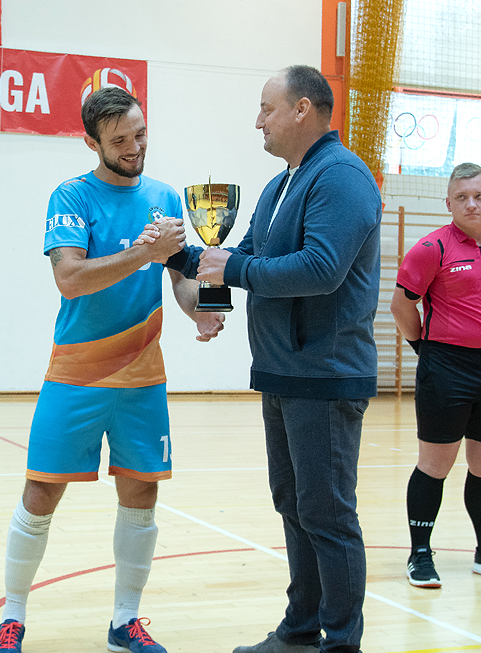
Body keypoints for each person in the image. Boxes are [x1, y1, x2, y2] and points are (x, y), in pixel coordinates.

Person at [0, 86, 225, 653]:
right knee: (40, 495)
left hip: (143, 379)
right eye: (120, 140)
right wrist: (143, 253)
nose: (134, 147)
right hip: (75, 375)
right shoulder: (71, 196)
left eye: (140, 134)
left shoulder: (165, 198)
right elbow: (70, 278)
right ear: (91, 142)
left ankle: (125, 622)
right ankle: (12, 618)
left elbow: (179, 279)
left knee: (141, 496)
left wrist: (201, 308)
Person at [161, 65, 382, 653]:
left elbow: (321, 269)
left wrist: (233, 268)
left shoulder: (341, 177)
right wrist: (177, 256)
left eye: (266, 108)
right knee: (295, 505)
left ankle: (342, 643)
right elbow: (242, 256)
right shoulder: (282, 183)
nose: (258, 121)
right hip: (284, 371)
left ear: (302, 110)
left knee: (327, 514)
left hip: (326, 374)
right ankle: (300, 631)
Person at [390, 162, 481, 589]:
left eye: (479, 196)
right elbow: (401, 306)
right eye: (462, 197)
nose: (472, 204)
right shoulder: (430, 248)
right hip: (445, 367)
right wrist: (426, 349)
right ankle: (420, 553)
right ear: (448, 203)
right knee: (435, 465)